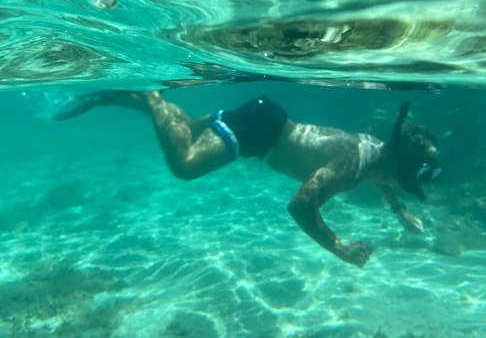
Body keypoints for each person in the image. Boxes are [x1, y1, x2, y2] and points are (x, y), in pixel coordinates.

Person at [54, 90, 444, 267]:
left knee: (185, 129)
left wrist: (399, 211)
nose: (406, 179)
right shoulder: (351, 165)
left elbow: (385, 177)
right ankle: (153, 96)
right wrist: (339, 247)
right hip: (263, 128)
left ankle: (116, 96)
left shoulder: (381, 155)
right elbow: (301, 205)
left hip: (268, 121)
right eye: (413, 175)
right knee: (185, 163)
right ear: (399, 161)